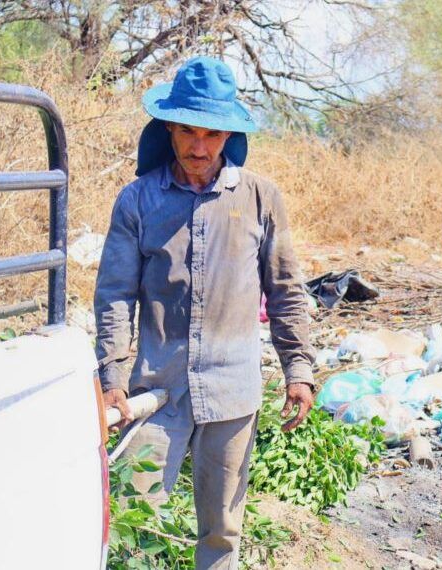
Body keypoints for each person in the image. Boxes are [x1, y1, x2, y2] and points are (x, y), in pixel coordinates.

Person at [94, 56, 317, 569]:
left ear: (229, 133)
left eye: (213, 134)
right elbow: (114, 295)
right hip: (155, 393)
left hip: (232, 391)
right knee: (130, 522)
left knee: (221, 534)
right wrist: (112, 374)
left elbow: (284, 289)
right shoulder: (138, 201)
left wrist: (298, 371)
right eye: (188, 132)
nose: (200, 147)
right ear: (169, 127)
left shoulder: (260, 197)